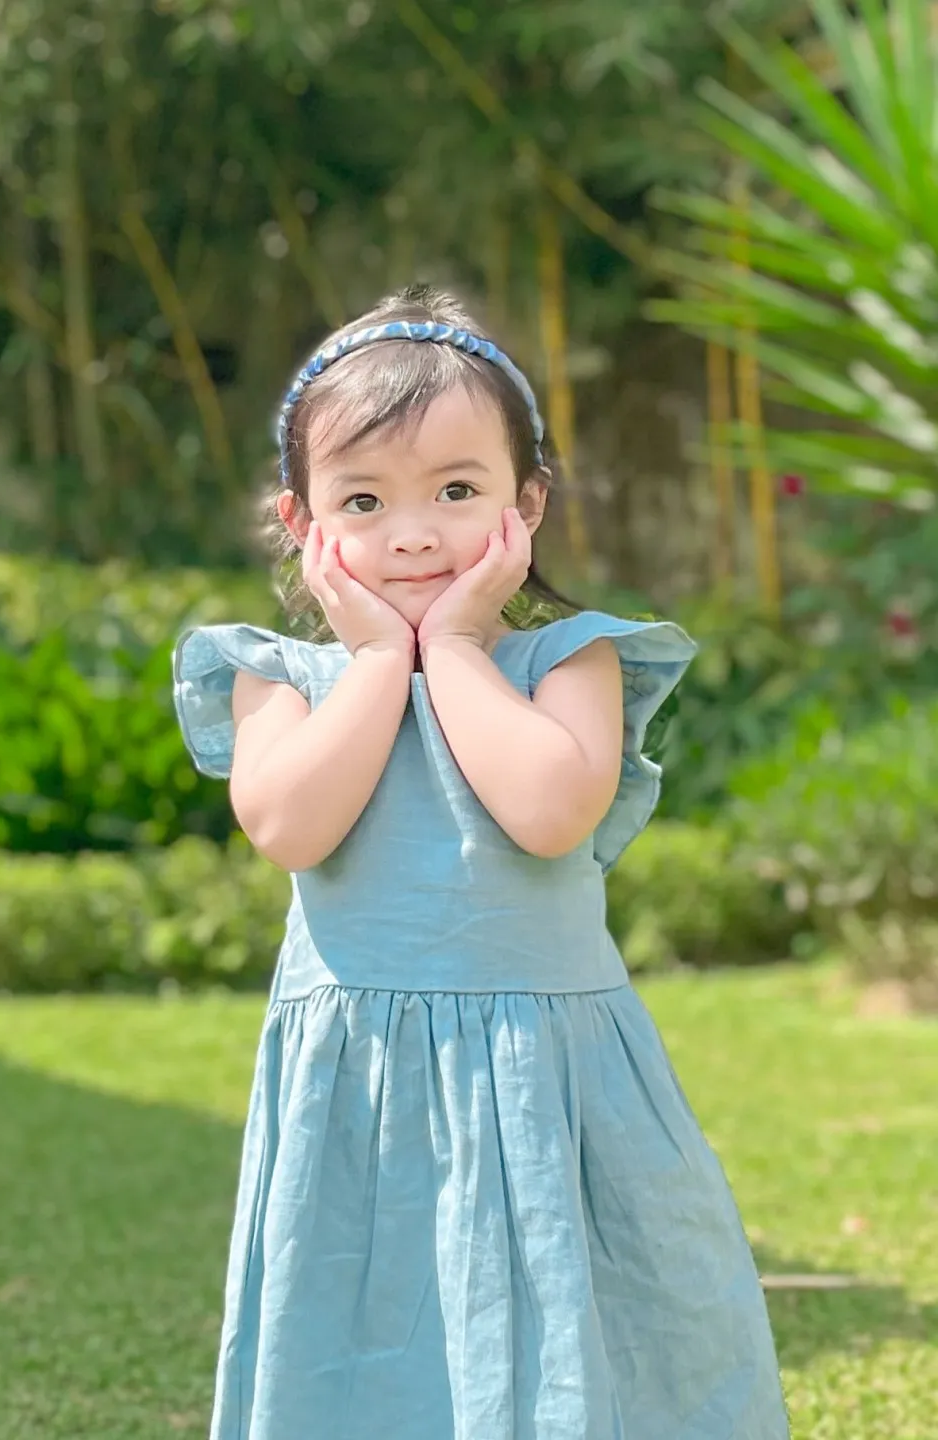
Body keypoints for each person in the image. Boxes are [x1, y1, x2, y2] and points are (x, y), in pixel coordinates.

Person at [173, 284, 790, 1440]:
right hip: (362, 1085)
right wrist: (377, 661)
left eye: (456, 492)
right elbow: (289, 826)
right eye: (364, 500)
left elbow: (549, 811)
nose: (413, 533)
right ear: (302, 523)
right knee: (371, 1350)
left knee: (585, 1338)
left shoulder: (570, 663)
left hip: (549, 1079)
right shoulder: (277, 679)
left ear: (527, 503)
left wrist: (453, 644)